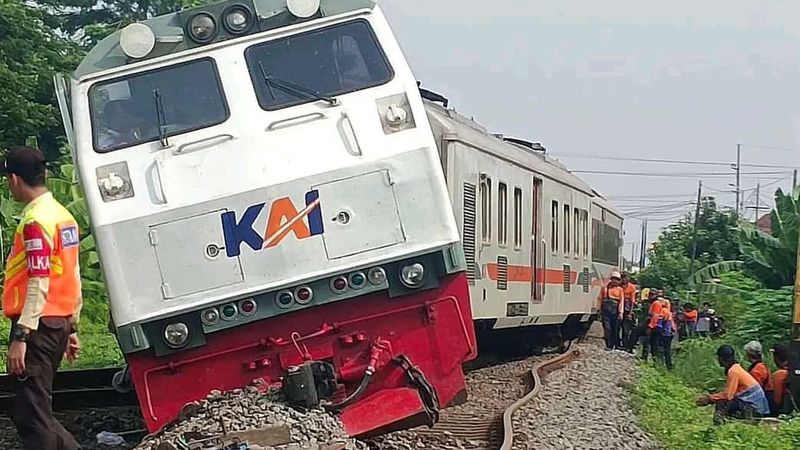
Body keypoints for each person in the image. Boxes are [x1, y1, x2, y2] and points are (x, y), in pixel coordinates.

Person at [2, 146, 83, 450]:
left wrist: (21, 335)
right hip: (57, 323)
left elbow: (39, 279)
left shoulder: (35, 221)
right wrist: (72, 326)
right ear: (45, 174)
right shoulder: (64, 217)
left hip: (35, 326)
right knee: (36, 411)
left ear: (13, 179)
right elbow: (72, 275)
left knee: (32, 417)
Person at [697, 345, 770, 424]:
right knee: (724, 400)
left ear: (721, 358)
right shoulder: (736, 368)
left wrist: (710, 398)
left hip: (754, 407)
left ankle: (719, 425)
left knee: (722, 403)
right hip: (754, 404)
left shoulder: (733, 371)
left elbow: (728, 396)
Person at [598, 271, 625, 351]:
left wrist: (621, 312)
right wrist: (599, 309)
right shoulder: (605, 288)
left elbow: (621, 301)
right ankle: (608, 345)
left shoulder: (620, 290)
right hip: (606, 310)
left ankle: (614, 344)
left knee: (615, 329)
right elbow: (600, 299)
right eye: (614, 279)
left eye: (617, 279)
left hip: (615, 310)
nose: (615, 281)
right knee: (607, 328)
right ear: (611, 279)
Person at [650, 298, 676, 369]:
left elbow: (659, 322)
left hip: (663, 334)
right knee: (667, 351)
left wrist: (651, 326)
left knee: (657, 349)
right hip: (669, 334)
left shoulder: (663, 311)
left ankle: (658, 364)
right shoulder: (669, 313)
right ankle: (669, 366)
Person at [769, 343, 792, 415]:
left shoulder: (779, 375)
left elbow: (777, 400)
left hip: (785, 412)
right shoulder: (794, 370)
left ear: (776, 358)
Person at [620, 273, 637, 353]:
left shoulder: (632, 287)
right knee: (617, 327)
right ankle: (617, 343)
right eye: (622, 278)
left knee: (626, 329)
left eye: (625, 278)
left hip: (627, 308)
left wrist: (630, 312)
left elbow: (632, 301)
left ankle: (625, 344)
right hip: (619, 306)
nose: (623, 279)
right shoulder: (619, 286)